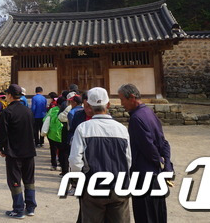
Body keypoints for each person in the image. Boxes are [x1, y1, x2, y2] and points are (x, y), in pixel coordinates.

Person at [69, 87, 131, 223]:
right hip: (118, 185)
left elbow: (75, 161)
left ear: (89, 106)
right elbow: (128, 160)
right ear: (108, 105)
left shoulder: (83, 128)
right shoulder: (121, 129)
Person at [119, 83, 173, 223]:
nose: (121, 104)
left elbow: (148, 147)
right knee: (157, 215)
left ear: (131, 97)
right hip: (154, 174)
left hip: (144, 176)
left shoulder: (137, 118)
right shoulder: (149, 113)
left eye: (122, 100)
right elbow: (163, 142)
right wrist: (165, 164)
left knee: (146, 215)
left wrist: (159, 164)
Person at [0, 84, 37, 218]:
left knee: (15, 181)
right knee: (29, 180)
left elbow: (2, 133)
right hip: (29, 151)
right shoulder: (28, 111)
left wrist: (0, 148)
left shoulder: (7, 112)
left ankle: (18, 209)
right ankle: (30, 207)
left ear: (10, 95)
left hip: (14, 152)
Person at [41, 97, 64, 171]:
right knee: (61, 150)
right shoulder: (66, 110)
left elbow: (45, 119)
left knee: (53, 150)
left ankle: (54, 165)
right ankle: (61, 163)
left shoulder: (52, 110)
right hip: (61, 134)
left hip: (51, 134)